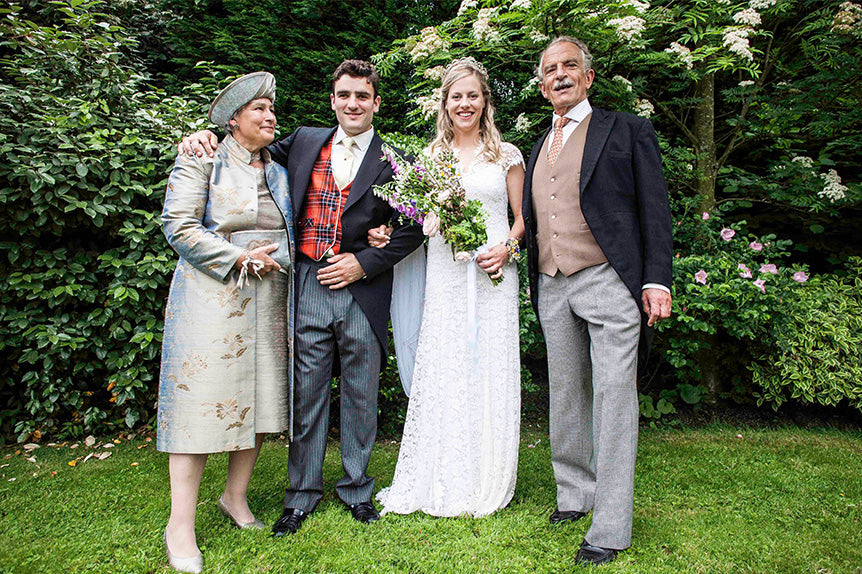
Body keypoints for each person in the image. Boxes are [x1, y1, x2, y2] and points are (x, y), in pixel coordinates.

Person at [180, 60, 424, 535]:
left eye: (363, 96)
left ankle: (356, 488)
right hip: (307, 280)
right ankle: (302, 493)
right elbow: (243, 145)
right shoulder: (302, 141)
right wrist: (200, 135)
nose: (353, 103)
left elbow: (416, 228)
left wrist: (366, 260)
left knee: (361, 393)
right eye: (345, 95)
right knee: (306, 393)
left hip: (363, 291)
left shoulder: (394, 159)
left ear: (376, 103)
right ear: (333, 100)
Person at [522, 37, 673, 566]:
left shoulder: (626, 129)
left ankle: (609, 525)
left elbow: (655, 208)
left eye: (569, 66)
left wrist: (657, 279)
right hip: (552, 281)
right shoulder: (539, 144)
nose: (559, 75)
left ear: (589, 77)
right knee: (565, 392)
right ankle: (574, 494)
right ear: (542, 86)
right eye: (549, 70)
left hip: (609, 280)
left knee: (614, 398)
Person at [370, 57, 525, 517]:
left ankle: (487, 473)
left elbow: (522, 222)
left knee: (489, 364)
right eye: (456, 96)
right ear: (445, 103)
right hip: (446, 276)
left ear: (485, 101)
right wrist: (386, 234)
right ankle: (441, 470)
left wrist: (506, 249)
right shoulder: (430, 159)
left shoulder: (508, 155)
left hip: (493, 274)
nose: (465, 104)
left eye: (472, 95)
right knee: (449, 364)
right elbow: (414, 222)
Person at [158, 72, 295, 574]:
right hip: (212, 296)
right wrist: (238, 258)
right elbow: (178, 224)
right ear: (232, 118)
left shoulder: (279, 168)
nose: (269, 117)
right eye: (258, 109)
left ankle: (234, 499)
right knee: (198, 407)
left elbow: (294, 228)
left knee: (260, 401)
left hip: (269, 294)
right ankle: (180, 525)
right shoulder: (202, 157)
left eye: (271, 109)